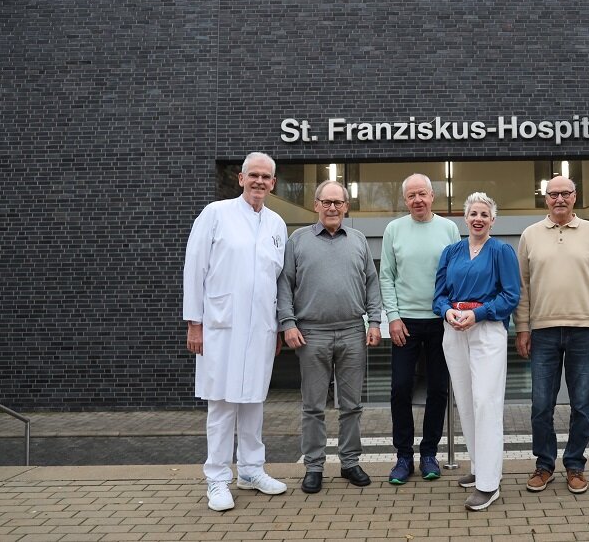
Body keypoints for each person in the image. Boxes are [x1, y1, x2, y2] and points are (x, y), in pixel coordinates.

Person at [183, 151, 289, 512]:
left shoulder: (277, 224)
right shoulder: (216, 214)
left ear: (273, 184)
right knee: (223, 403)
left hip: (260, 327)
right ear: (241, 178)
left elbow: (276, 282)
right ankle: (216, 479)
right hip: (220, 326)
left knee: (254, 402)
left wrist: (276, 327)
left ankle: (251, 469)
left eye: (266, 177)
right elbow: (194, 267)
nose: (260, 181)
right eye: (253, 175)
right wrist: (194, 322)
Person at [276, 180, 383, 494]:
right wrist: (288, 323)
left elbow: (371, 285)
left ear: (346, 206)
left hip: (352, 331)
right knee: (313, 407)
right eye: (327, 202)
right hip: (311, 334)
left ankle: (350, 463)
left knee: (351, 406)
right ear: (316, 204)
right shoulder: (297, 240)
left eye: (338, 202)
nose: (333, 207)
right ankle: (314, 466)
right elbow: (284, 286)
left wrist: (374, 322)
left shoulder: (359, 240)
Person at [515, 176, 589, 496]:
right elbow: (523, 287)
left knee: (582, 404)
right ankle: (544, 465)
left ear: (575, 197)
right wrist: (523, 328)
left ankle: (575, 466)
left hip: (585, 329)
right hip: (542, 331)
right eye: (553, 194)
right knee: (541, 404)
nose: (559, 199)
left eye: (565, 194)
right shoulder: (530, 235)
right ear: (545, 199)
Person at [433, 192, 520, 511]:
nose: (478, 218)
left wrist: (477, 314)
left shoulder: (502, 251)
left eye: (485, 214)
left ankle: (489, 484)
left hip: (486, 331)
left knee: (486, 401)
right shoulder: (451, 251)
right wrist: (447, 313)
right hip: (454, 330)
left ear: (493, 220)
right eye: (473, 213)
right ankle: (478, 467)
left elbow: (511, 296)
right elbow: (439, 295)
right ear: (465, 218)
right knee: (466, 403)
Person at [380, 174, 461, 485]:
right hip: (406, 323)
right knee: (400, 388)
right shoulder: (394, 230)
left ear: (432, 197)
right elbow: (386, 276)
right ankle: (403, 456)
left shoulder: (449, 229)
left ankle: (429, 453)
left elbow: (458, 273)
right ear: (405, 200)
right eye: (411, 195)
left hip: (441, 320)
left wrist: (454, 311)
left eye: (422, 194)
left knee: (439, 390)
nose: (417, 200)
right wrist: (394, 317)